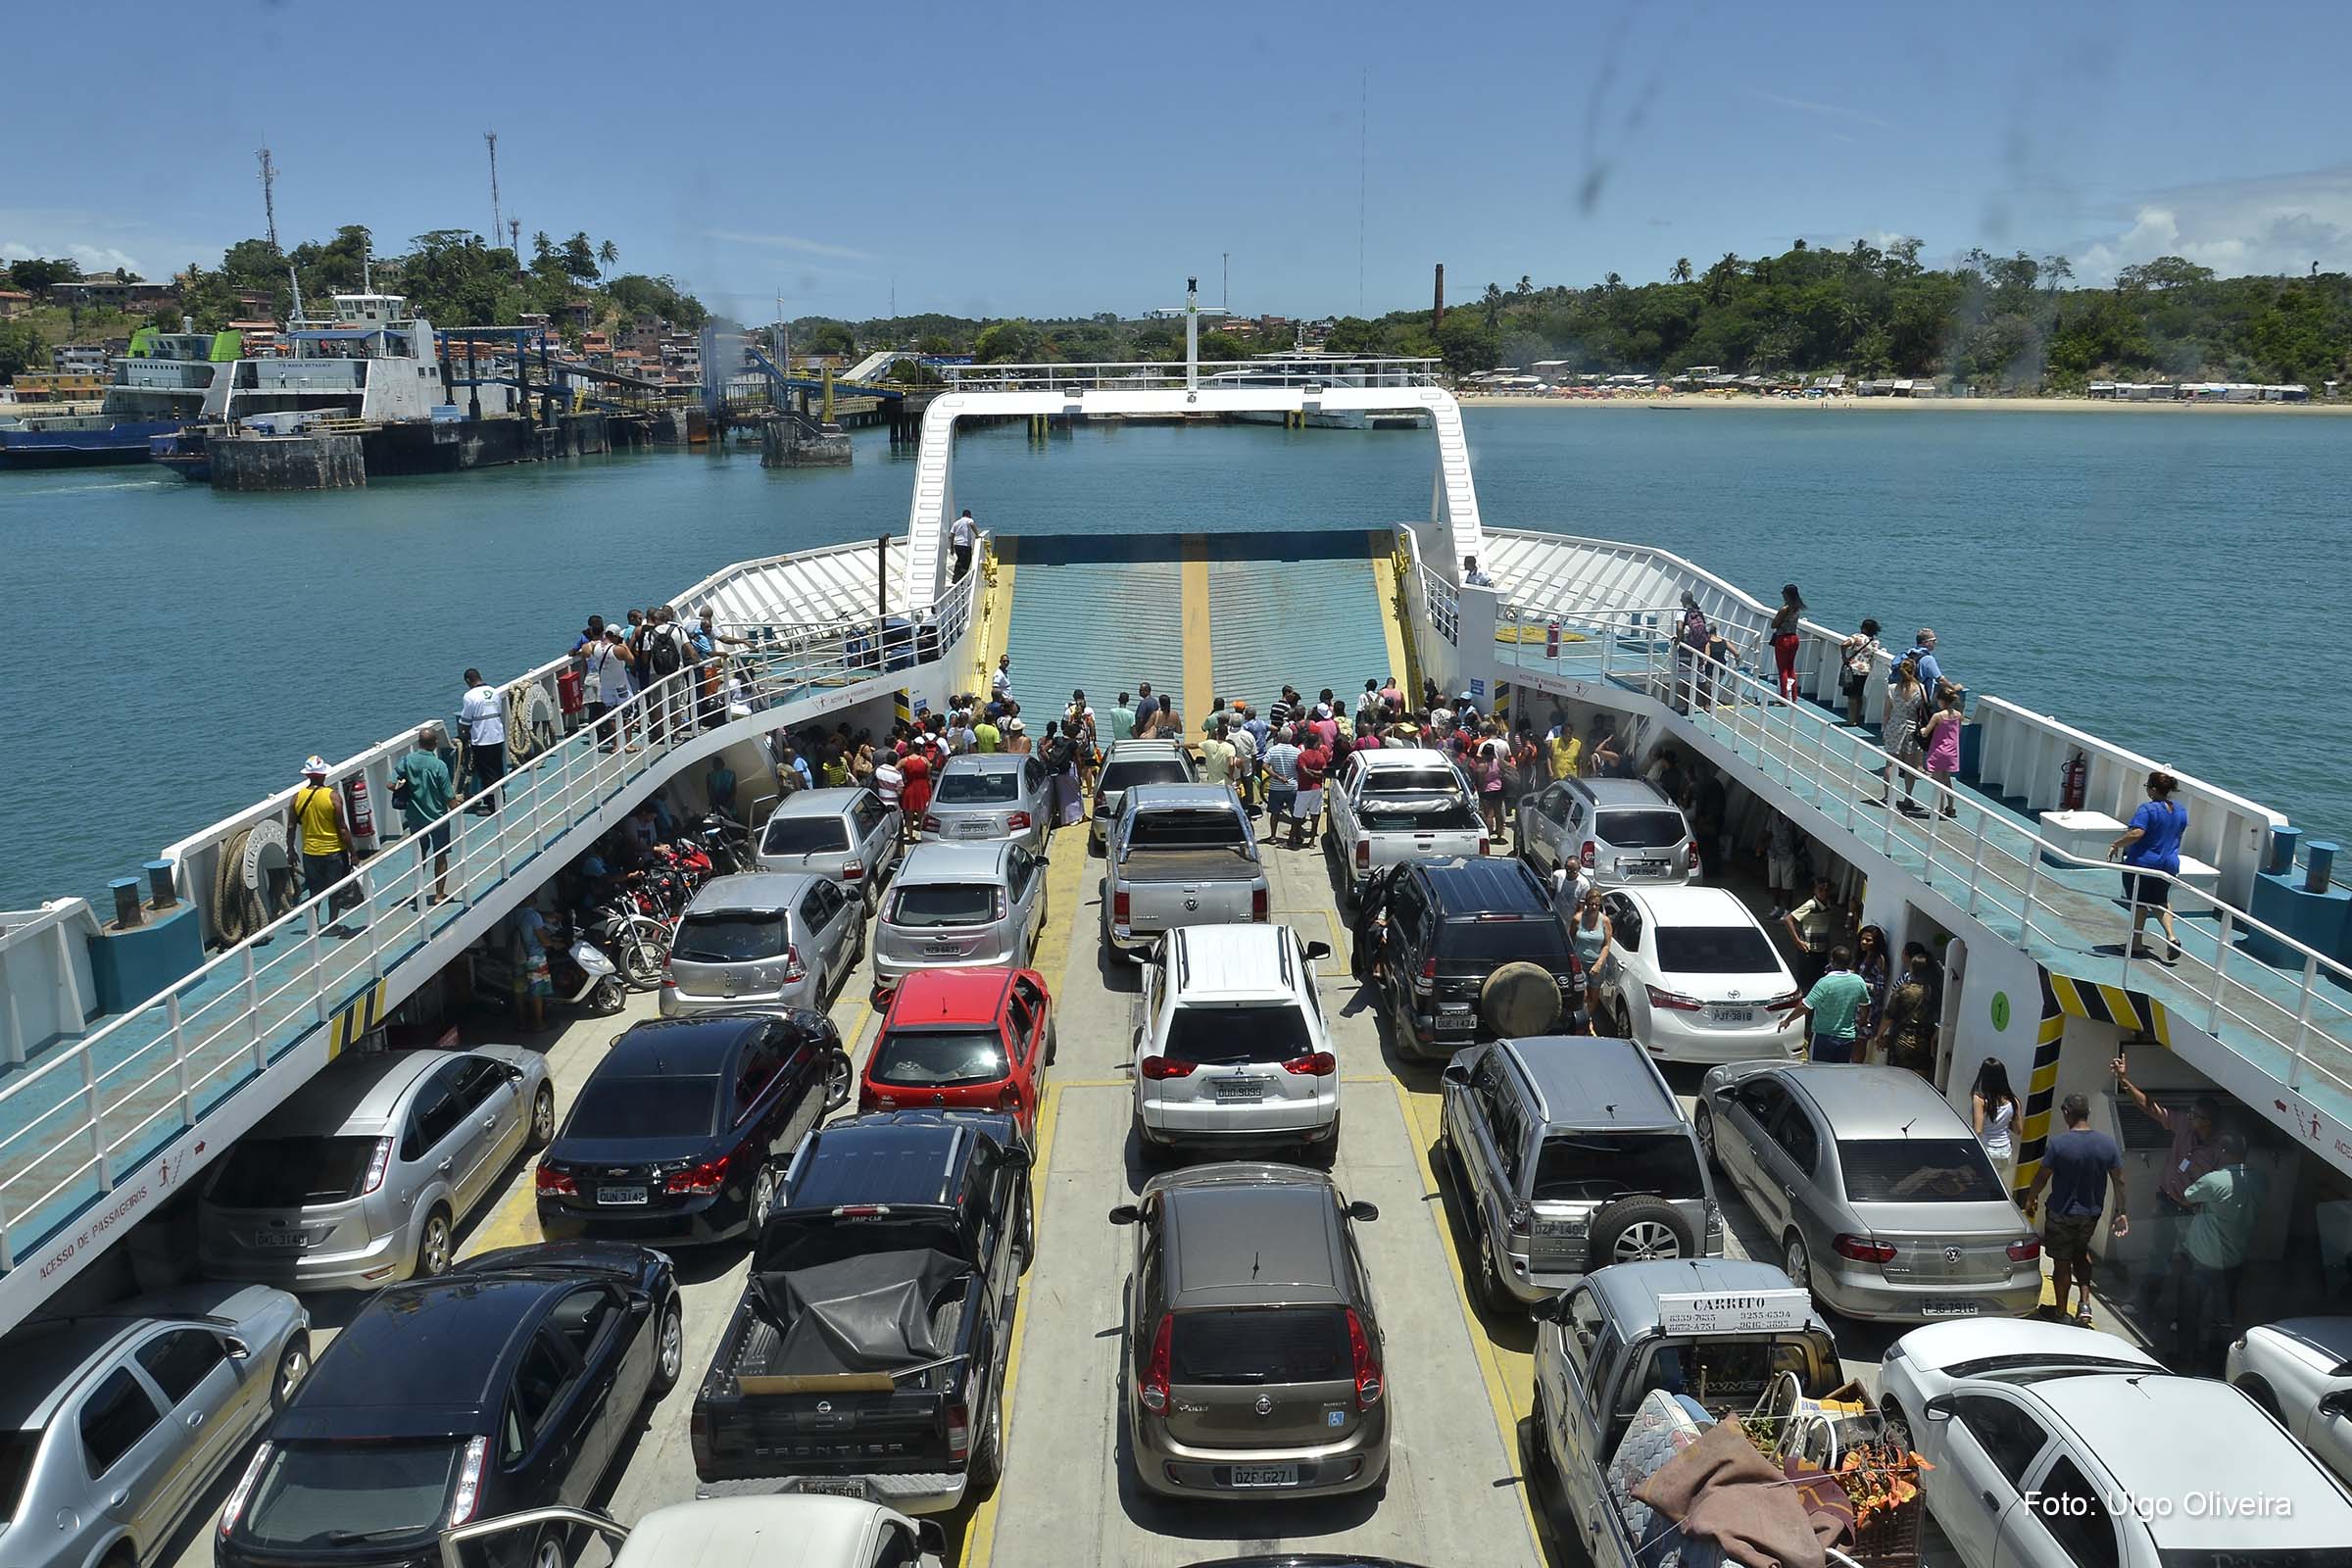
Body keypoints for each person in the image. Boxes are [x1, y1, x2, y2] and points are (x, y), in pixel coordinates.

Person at [2112, 1054, 2223, 1322]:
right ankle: (2145, 1304)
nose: (2190, 1117)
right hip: (2167, 1201)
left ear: (2207, 1122)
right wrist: (2124, 1081)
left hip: (2191, 1212)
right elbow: (2152, 1109)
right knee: (2159, 1255)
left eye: (2196, 1116)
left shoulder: (2218, 1149)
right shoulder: (2184, 1125)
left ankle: (2182, 1315)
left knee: (2186, 1263)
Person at [2021, 1093, 2128, 1329]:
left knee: (2061, 1262)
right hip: (2090, 1214)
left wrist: (2031, 1197)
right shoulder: (2107, 1144)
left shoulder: (2059, 1144)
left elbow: (2042, 1176)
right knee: (2081, 1253)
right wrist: (2121, 1211)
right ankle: (2085, 1304)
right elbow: (2119, 1180)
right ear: (2087, 1113)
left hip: (2061, 1214)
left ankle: (2060, 1312)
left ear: (2066, 1112)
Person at [2177, 1130, 2265, 1368]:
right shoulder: (2259, 1179)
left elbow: (2187, 1196)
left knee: (2191, 1308)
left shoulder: (2214, 1179)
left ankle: (2187, 1358)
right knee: (2224, 1312)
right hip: (2236, 1257)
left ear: (2223, 1152)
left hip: (2204, 1256)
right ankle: (2218, 1358)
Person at [2110, 770, 2188, 962]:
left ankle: (2135, 944)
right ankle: (2171, 936)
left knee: (2139, 903)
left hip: (2143, 863)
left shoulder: (2147, 809)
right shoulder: (2180, 810)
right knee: (2160, 901)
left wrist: (2116, 844)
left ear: (2153, 790)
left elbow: (2137, 833)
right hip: (2168, 864)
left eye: (2147, 787)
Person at [289, 756, 362, 930]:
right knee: (334, 891)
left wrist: (290, 850)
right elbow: (342, 828)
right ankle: (332, 925)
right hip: (333, 851)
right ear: (322, 775)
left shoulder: (297, 798)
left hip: (310, 852)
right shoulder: (333, 797)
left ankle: (313, 927)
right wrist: (353, 853)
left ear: (308, 775)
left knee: (315, 892)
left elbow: (291, 826)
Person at [393, 724, 456, 906]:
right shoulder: (439, 765)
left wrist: (404, 786)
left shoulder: (407, 761)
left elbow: (390, 784)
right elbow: (448, 795)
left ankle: (418, 891)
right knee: (441, 855)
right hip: (437, 818)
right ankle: (439, 894)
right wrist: (456, 809)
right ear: (435, 743)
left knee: (420, 854)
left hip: (415, 818)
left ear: (419, 742)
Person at [1778, 944, 1867, 1062]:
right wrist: (1861, 1022)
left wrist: (1788, 1020)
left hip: (1824, 1037)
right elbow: (1865, 1005)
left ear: (1832, 960)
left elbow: (1805, 1006)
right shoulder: (1858, 981)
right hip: (1847, 1038)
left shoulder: (1825, 983)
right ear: (1850, 962)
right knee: (1840, 1072)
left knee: (1817, 1071)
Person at [1867, 656, 1930, 815]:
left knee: (1891, 764)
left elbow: (1886, 713)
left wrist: (1884, 729)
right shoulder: (1921, 688)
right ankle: (1908, 797)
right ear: (1914, 671)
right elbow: (1924, 710)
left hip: (1895, 726)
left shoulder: (1892, 688)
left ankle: (1888, 796)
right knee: (1910, 767)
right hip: (1912, 729)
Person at [1873, 949, 1939, 1076]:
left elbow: (1889, 1016)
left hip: (1902, 1040)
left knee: (1898, 1077)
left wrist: (1879, 1035)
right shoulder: (1935, 991)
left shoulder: (1904, 990)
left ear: (1912, 969)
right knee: (1921, 1078)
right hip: (1925, 1041)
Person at [1783, 876, 1843, 990]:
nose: (1824, 893)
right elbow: (1788, 919)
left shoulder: (1828, 905)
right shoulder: (1811, 905)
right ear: (1814, 890)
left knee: (1819, 978)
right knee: (1806, 980)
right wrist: (1798, 941)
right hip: (1808, 949)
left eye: (1826, 890)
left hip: (1822, 949)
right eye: (1820, 890)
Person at [459, 669, 507, 811]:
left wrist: (463, 734)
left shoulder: (469, 696)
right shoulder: (494, 692)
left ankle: (493, 806)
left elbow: (465, 721)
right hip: (497, 737)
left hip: (482, 740)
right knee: (498, 770)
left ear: (468, 681)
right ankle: (500, 799)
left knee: (487, 774)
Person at [1971, 1057, 2021, 1194]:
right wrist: (2002, 1121)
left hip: (1988, 1151)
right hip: (2005, 1153)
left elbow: (1978, 1130)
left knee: (1980, 1188)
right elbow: (2018, 1130)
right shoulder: (2013, 1100)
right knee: (1995, 1186)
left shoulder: (1980, 1099)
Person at [1570, 892, 1615, 1032]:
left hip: (1597, 964)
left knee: (1593, 996)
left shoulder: (1605, 921)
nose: (1593, 907)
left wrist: (1599, 963)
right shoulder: (1578, 919)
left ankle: (1588, 1017)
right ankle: (1585, 1022)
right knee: (1582, 995)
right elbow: (1571, 938)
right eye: (1590, 904)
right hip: (1580, 962)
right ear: (1586, 903)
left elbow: (1607, 945)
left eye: (1596, 904)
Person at [585, 625, 635, 750]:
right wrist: (623, 645)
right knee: (627, 716)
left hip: (606, 688)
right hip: (621, 687)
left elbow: (585, 651)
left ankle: (616, 745)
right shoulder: (618, 649)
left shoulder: (594, 648)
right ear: (616, 636)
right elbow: (631, 660)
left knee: (611, 717)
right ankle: (628, 744)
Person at [507, 899, 552, 1032]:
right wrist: (554, 944)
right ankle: (539, 1023)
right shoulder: (533, 915)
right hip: (535, 958)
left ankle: (522, 1023)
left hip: (517, 956)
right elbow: (544, 940)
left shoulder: (512, 914)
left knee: (519, 990)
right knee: (537, 991)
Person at [1921, 682, 1964, 818]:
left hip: (1939, 751)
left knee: (1938, 782)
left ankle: (1939, 809)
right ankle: (1951, 808)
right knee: (1948, 781)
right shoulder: (1958, 715)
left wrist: (1921, 730)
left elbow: (1925, 733)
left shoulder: (1938, 716)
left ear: (1941, 700)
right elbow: (1959, 732)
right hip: (1952, 752)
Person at [1839, 617, 1884, 726]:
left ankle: (1851, 720)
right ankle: (1857, 718)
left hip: (1853, 670)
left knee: (1851, 696)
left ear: (1863, 628)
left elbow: (1844, 644)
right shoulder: (1875, 642)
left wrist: (1844, 657)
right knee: (1858, 696)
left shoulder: (1858, 637)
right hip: (1865, 670)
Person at [1853, 924, 1890, 1049]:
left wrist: (1859, 983)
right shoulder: (1863, 956)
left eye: (1868, 940)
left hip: (1870, 1008)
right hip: (1857, 1005)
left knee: (1860, 1042)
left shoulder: (1880, 960)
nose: (1863, 942)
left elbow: (1880, 988)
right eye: (1862, 939)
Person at [1292, 727, 1330, 849]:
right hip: (1317, 788)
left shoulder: (1302, 756)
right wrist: (1317, 773)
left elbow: (1304, 771)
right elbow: (1324, 772)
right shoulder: (1320, 756)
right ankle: (1312, 841)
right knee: (1315, 816)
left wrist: (1310, 772)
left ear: (1306, 743)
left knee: (1297, 816)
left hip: (1304, 789)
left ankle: (1291, 840)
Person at [1262, 725, 1301, 842]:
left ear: (1278, 737)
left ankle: (1273, 836)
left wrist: (1276, 776)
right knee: (1295, 813)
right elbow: (1299, 767)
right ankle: (1297, 835)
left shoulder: (1273, 750)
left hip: (1275, 787)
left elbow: (1265, 765)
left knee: (1275, 813)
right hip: (1293, 786)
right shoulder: (1297, 751)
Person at [1676, 592, 1711, 712]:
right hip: (1699, 648)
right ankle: (1707, 705)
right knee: (1701, 678)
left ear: (1682, 600)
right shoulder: (1699, 612)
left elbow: (1680, 628)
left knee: (1686, 679)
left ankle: (1687, 706)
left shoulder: (1682, 613)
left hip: (1687, 649)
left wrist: (1677, 640)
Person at [1770, 583, 1805, 702]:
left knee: (1783, 669)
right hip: (1794, 638)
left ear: (1787, 594)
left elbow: (1774, 624)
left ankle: (1784, 697)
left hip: (1783, 639)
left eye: (1784, 592)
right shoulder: (1797, 608)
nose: (1782, 594)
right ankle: (1793, 696)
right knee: (1791, 668)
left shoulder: (1785, 609)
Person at [1891, 627, 1943, 696]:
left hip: (1900, 692)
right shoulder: (1928, 659)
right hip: (1916, 697)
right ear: (1925, 642)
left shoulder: (1908, 653)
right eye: (1934, 640)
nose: (1936, 642)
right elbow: (1941, 680)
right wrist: (1954, 688)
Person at [899, 747, 932, 834]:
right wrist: (931, 792)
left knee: (909, 816)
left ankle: (910, 837)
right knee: (922, 816)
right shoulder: (924, 760)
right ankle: (922, 836)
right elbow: (929, 778)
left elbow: (895, 770)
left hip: (909, 788)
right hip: (923, 789)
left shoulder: (904, 761)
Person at [1200, 716, 1237, 790]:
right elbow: (1231, 764)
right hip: (1225, 784)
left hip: (1212, 784)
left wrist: (1179, 745)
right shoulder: (1230, 747)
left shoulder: (1208, 744)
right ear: (1226, 734)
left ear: (1217, 733)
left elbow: (1193, 745)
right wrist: (1231, 775)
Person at [950, 509, 978, 581]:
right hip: (965, 545)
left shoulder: (956, 523)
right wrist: (977, 534)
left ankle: (955, 578)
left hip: (957, 545)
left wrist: (952, 547)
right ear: (969, 515)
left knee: (959, 561)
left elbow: (951, 535)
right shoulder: (969, 520)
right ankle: (961, 580)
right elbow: (972, 524)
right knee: (966, 562)